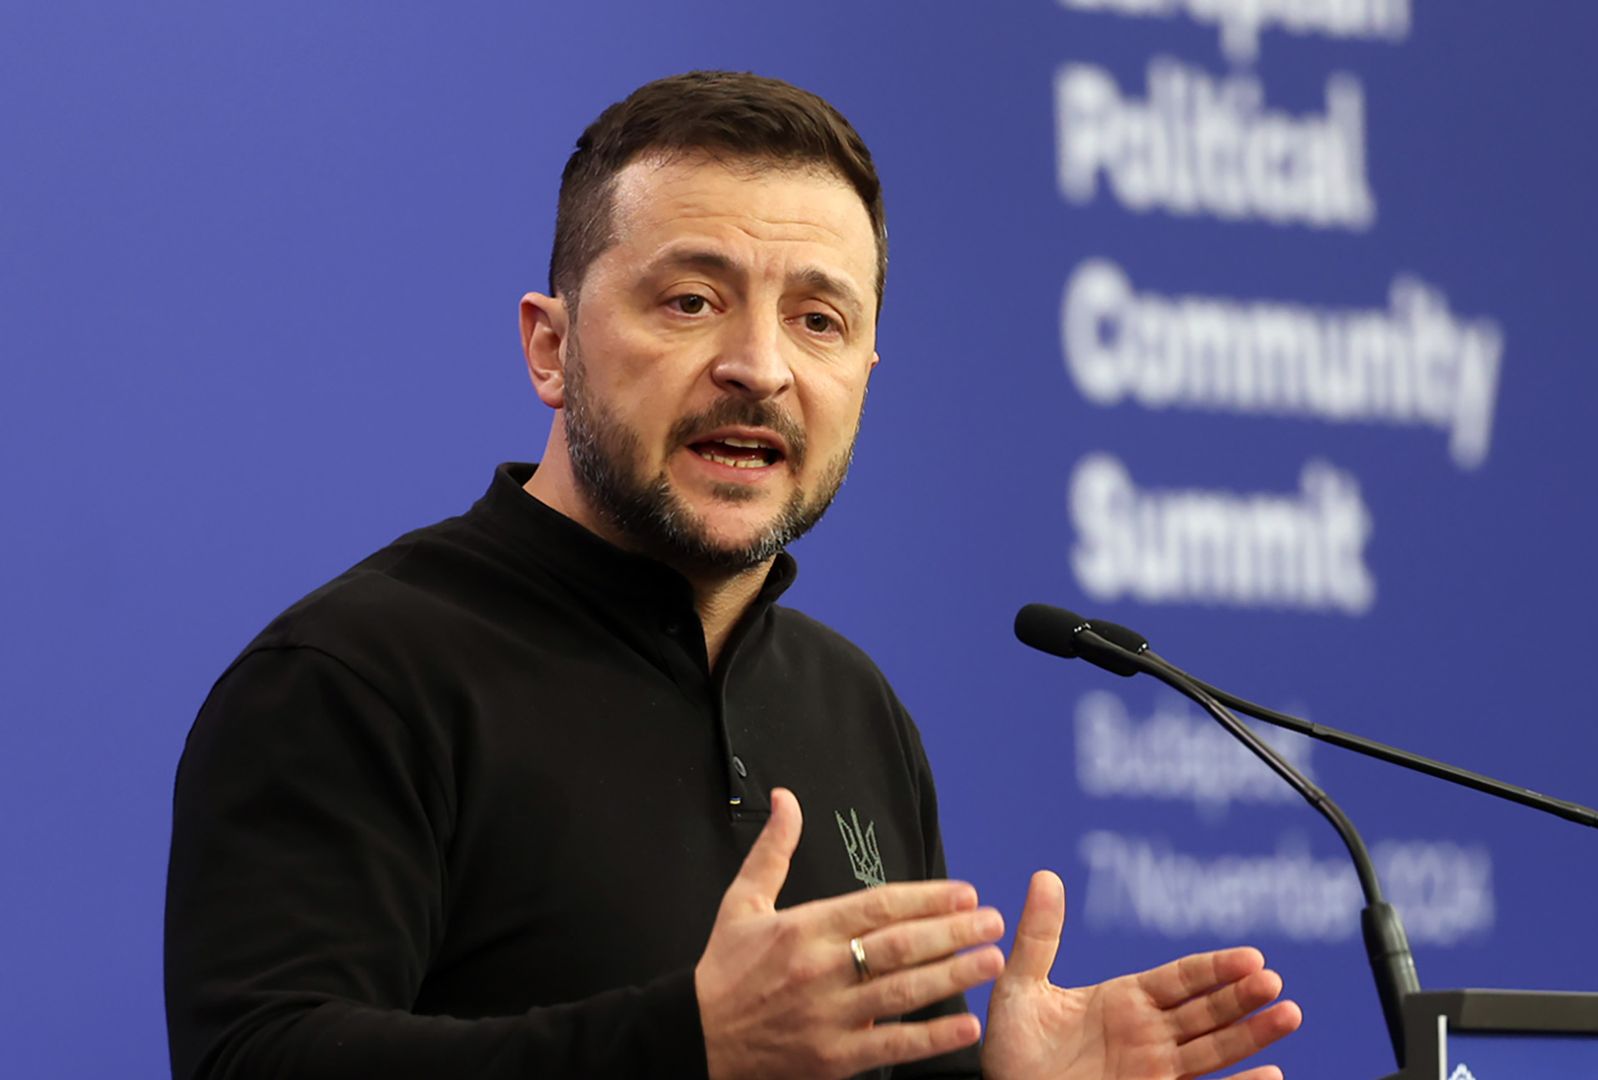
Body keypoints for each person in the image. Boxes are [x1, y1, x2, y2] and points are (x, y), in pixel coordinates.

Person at [164, 70, 1303, 1079]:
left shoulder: (853, 705)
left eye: (817, 319)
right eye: (692, 300)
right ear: (550, 346)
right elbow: (257, 1058)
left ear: (864, 372)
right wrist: (688, 1047)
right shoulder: (355, 675)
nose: (759, 368)